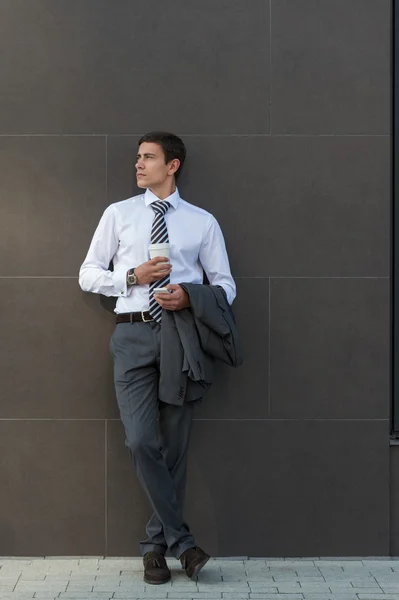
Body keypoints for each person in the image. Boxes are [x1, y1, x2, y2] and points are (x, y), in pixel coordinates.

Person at [79, 131, 236, 585]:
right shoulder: (119, 214)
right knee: (142, 441)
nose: (138, 164)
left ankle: (154, 550)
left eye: (148, 158)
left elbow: (225, 285)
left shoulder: (201, 222)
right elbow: (88, 274)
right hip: (131, 336)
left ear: (173, 165)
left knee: (176, 447)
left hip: (180, 337)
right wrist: (132, 275)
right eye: (137, 158)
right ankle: (184, 544)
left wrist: (189, 296)